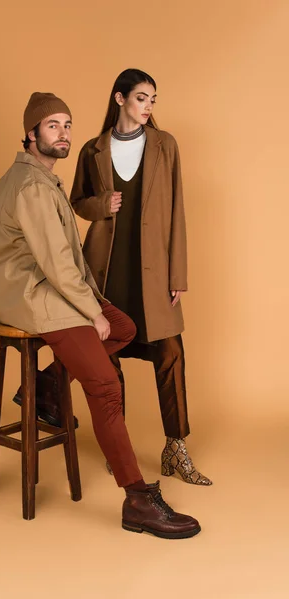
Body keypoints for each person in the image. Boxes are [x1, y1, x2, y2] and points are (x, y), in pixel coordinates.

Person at [0, 91, 201, 538]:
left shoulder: (42, 180)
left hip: (49, 287)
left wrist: (98, 305)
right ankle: (138, 498)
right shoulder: (30, 187)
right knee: (104, 385)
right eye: (51, 126)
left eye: (66, 125)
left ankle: (45, 386)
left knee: (124, 326)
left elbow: (64, 260)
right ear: (30, 134)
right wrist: (90, 311)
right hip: (33, 296)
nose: (62, 134)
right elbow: (56, 264)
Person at [70, 69, 212, 486]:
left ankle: (176, 447)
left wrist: (178, 273)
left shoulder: (165, 145)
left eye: (153, 99)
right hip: (107, 271)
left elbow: (178, 209)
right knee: (109, 360)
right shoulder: (92, 149)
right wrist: (102, 205)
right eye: (141, 98)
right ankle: (121, 448)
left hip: (154, 270)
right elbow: (78, 201)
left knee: (170, 354)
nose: (149, 106)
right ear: (119, 99)